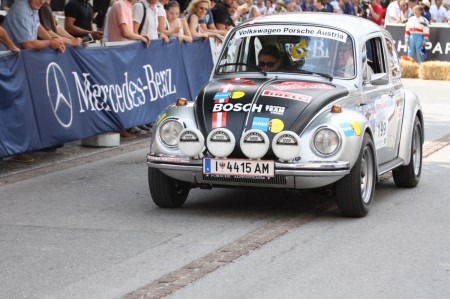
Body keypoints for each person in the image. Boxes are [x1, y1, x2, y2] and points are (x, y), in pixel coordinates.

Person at [1, 0, 66, 163]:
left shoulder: (32, 8)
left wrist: (54, 40)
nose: (42, 1)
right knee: (12, 107)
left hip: (14, 65)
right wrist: (51, 42)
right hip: (8, 64)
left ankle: (18, 147)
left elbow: (37, 27)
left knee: (18, 106)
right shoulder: (21, 8)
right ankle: (14, 148)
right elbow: (26, 43)